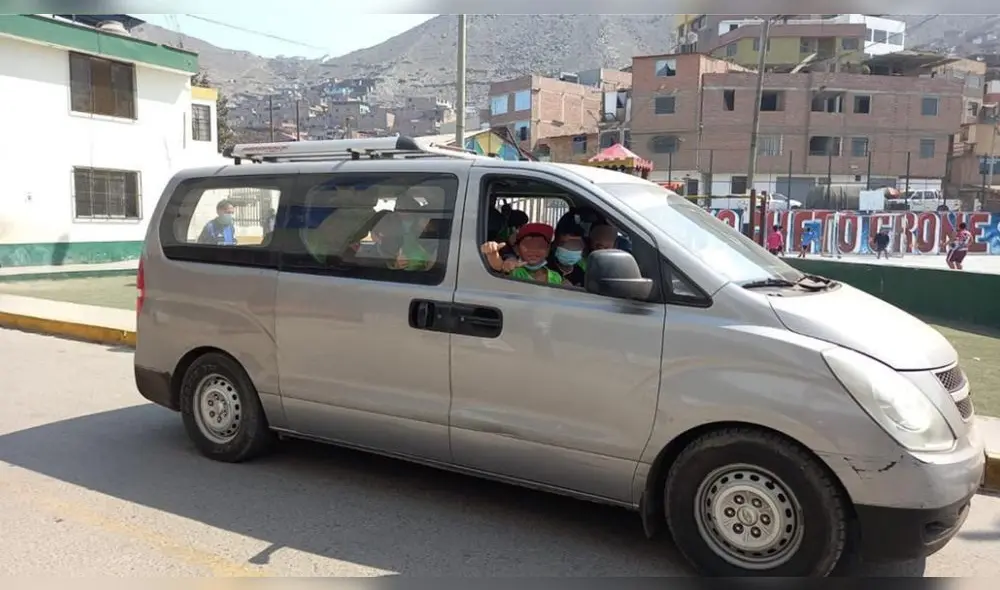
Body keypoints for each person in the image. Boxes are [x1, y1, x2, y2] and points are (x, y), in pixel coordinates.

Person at [481, 222, 562, 285]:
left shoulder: (556, 277)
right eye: (528, 245)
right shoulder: (514, 271)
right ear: (517, 250)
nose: (534, 250)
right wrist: (492, 253)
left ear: (548, 250)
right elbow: (499, 266)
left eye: (540, 245)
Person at [548, 222, 587, 287]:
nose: (570, 249)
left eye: (575, 245)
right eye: (565, 244)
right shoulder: (545, 269)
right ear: (554, 245)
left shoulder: (581, 274)